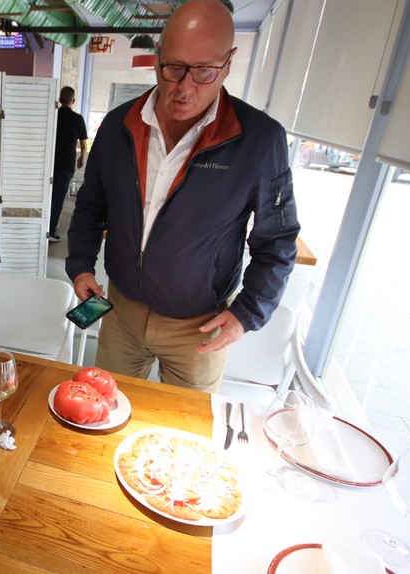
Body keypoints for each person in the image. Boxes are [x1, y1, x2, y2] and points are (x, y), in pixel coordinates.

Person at [65, 0, 300, 393]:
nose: (184, 88)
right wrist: (80, 265)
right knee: (105, 412)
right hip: (121, 310)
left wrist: (247, 312)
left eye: (205, 71)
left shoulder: (259, 140)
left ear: (228, 63)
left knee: (181, 440)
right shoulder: (119, 125)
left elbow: (277, 238)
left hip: (198, 326)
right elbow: (91, 205)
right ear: (157, 57)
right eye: (173, 68)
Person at [47, 86, 88, 243]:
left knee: (46, 197)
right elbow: (84, 144)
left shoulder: (52, 116)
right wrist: (81, 158)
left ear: (60, 99)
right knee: (58, 198)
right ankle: (50, 231)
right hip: (66, 165)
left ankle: (42, 227)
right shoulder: (78, 119)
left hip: (48, 164)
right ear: (73, 101)